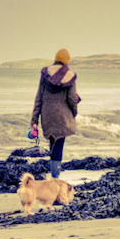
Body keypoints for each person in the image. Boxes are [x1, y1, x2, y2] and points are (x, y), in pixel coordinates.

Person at [29, 48, 81, 176]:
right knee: (58, 146)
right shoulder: (70, 76)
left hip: (47, 114)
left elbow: (38, 98)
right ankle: (55, 178)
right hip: (62, 115)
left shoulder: (45, 74)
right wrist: (74, 113)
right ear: (67, 61)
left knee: (53, 143)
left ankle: (54, 175)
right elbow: (72, 99)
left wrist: (34, 120)